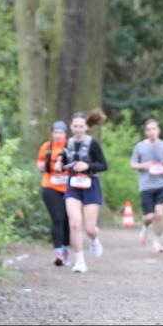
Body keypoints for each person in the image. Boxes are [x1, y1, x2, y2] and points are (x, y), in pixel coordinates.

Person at [60, 109, 108, 273]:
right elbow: (64, 161)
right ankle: (79, 261)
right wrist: (61, 165)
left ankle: (94, 238)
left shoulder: (92, 143)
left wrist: (88, 166)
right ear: (70, 126)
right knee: (74, 223)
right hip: (73, 185)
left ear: (86, 127)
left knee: (89, 228)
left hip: (90, 185)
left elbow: (103, 165)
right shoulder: (68, 143)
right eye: (75, 126)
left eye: (81, 126)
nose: (78, 129)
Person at [130, 118, 163, 253]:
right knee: (149, 217)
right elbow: (132, 164)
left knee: (160, 213)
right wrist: (144, 165)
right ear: (145, 131)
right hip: (146, 186)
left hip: (162, 184)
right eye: (148, 129)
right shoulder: (139, 146)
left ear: (158, 130)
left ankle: (157, 242)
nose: (151, 132)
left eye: (154, 129)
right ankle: (145, 228)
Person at [37, 121, 71, 266]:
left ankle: (65, 249)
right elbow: (39, 164)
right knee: (57, 218)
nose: (57, 135)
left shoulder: (70, 146)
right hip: (50, 186)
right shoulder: (46, 147)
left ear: (65, 134)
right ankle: (58, 253)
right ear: (52, 133)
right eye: (55, 132)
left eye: (60, 133)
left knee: (67, 220)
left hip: (69, 188)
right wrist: (46, 166)